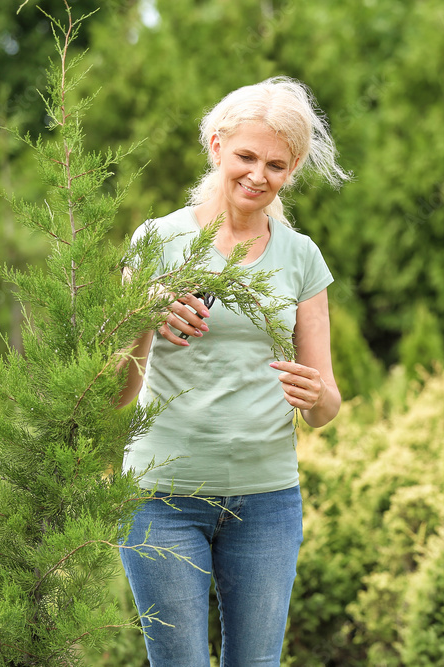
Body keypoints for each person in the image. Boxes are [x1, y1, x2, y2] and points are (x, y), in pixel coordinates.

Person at [116, 76, 350, 666]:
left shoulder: (302, 258)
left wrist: (316, 393)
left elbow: (325, 408)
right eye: (246, 155)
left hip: (266, 502)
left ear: (292, 168)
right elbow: (114, 394)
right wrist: (141, 317)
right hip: (161, 496)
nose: (258, 174)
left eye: (276, 163)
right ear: (217, 146)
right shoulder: (156, 242)